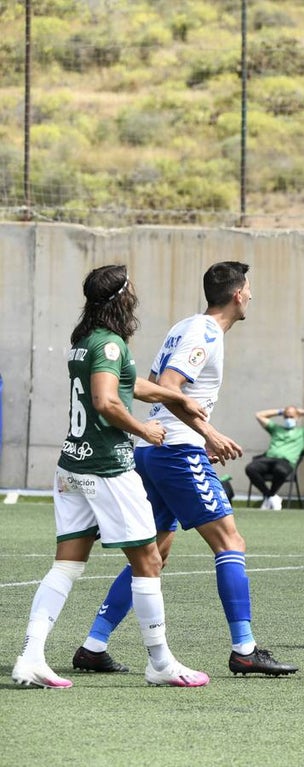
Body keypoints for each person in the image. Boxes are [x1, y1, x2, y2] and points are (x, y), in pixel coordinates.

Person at [73, 261, 299, 678]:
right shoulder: (205, 332)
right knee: (230, 542)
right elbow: (170, 386)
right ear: (237, 295)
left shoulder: (185, 326)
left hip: (159, 448)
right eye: (249, 289)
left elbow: (150, 382)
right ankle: (244, 649)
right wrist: (206, 433)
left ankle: (93, 646)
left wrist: (195, 436)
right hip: (175, 451)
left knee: (154, 554)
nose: (251, 296)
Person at [12, 265, 210, 688]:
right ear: (121, 297)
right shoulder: (110, 343)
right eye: (130, 288)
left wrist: (173, 395)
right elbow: (106, 401)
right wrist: (144, 429)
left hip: (72, 465)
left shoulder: (85, 341)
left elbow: (124, 386)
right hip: (107, 468)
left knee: (67, 565)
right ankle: (160, 663)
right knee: (149, 560)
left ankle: (30, 657)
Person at [245, 405, 304, 509]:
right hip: (268, 459)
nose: (288, 419)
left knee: (280, 470)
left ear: (297, 417)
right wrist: (281, 411)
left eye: (291, 417)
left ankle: (269, 497)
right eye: (286, 416)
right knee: (250, 468)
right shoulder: (276, 429)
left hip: (285, 462)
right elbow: (259, 415)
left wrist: (300, 411)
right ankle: (271, 496)